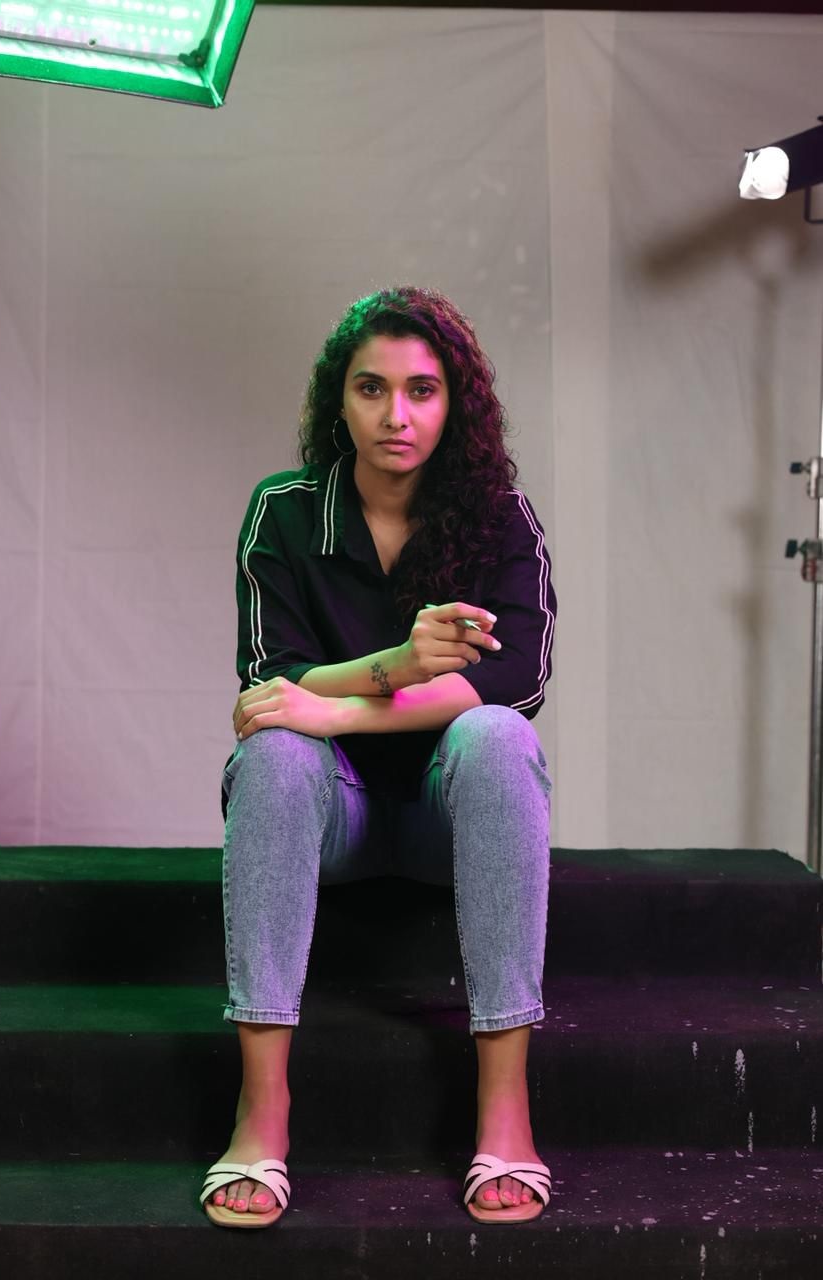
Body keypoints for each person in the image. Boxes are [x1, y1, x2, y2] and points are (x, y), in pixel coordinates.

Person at [199, 286, 557, 1229]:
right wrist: (395, 667)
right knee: (278, 750)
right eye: (372, 389)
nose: (396, 415)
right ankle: (262, 1109)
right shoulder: (283, 513)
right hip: (334, 818)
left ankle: (505, 1106)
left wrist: (337, 707)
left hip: (451, 816)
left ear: (454, 404)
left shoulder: (500, 517)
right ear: (340, 401)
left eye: (422, 391)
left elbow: (513, 681)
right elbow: (271, 689)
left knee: (497, 735)